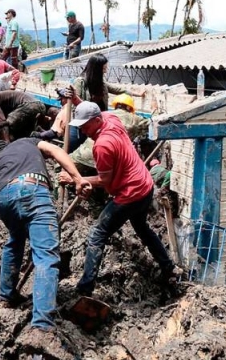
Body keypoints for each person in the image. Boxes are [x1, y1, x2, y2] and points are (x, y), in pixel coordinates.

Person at [60, 101, 178, 296]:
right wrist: (79, 101)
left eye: (85, 125)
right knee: (142, 228)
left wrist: (75, 179)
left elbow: (104, 180)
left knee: (97, 235)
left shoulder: (102, 146)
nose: (82, 130)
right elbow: (93, 110)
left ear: (97, 120)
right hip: (145, 185)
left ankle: (84, 289)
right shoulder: (111, 118)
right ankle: (168, 268)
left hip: (130, 194)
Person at [0, 137, 91, 360]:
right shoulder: (29, 142)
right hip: (32, 188)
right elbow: (55, 150)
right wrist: (77, 178)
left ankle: (6, 295)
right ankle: (42, 327)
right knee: (46, 256)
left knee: (15, 240)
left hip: (2, 198)